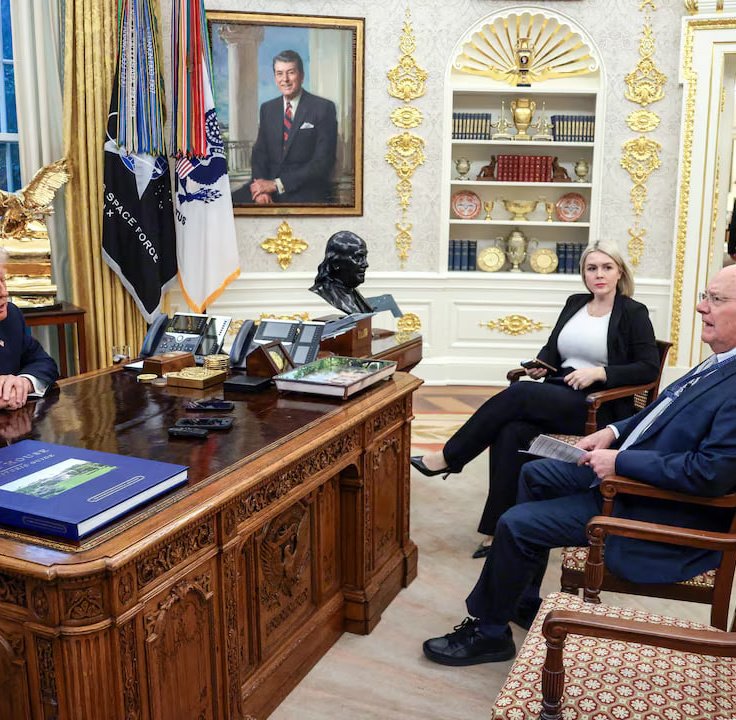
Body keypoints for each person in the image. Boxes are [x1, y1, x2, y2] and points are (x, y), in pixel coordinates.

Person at [422, 263, 736, 666]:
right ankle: (520, 599)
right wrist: (614, 432)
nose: (700, 307)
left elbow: (710, 473)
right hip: (633, 475)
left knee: (515, 524)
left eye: (715, 299)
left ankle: (489, 634)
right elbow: (658, 414)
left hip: (655, 506)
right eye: (705, 296)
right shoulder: (719, 361)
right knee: (533, 472)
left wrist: (622, 462)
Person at [411, 240, 660, 558]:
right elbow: (553, 347)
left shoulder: (633, 312)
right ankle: (498, 528)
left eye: (606, 267)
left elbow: (648, 367)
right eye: (592, 268)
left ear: (619, 272)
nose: (599, 274)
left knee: (519, 393)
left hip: (598, 405)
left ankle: (450, 457)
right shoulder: (575, 303)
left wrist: (600, 373)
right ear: (583, 273)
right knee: (511, 431)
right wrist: (542, 364)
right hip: (561, 390)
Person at [233, 49, 338, 205]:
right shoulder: (268, 109)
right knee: (227, 204)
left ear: (301, 76)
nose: (285, 79)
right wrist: (260, 188)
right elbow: (260, 153)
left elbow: (323, 162)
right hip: (268, 187)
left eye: (291, 73)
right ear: (275, 78)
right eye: (279, 73)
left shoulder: (323, 108)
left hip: (304, 189)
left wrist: (277, 185)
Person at [0, 253, 59, 410]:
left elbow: (44, 363)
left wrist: (24, 383)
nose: (4, 293)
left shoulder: (12, 316)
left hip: (16, 421)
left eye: (2, 280)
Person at [309, 231, 372, 315]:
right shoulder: (321, 296)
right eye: (357, 258)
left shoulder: (353, 293)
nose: (365, 264)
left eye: (365, 257)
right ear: (336, 263)